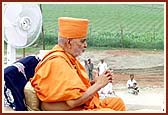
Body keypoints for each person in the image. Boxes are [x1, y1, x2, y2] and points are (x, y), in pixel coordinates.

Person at [30, 17, 126, 111]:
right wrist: (99, 85)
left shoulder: (68, 58)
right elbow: (73, 101)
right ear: (69, 42)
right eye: (82, 41)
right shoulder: (58, 62)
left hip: (76, 105)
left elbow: (74, 90)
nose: (86, 45)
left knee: (117, 103)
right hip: (73, 109)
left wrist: (94, 82)